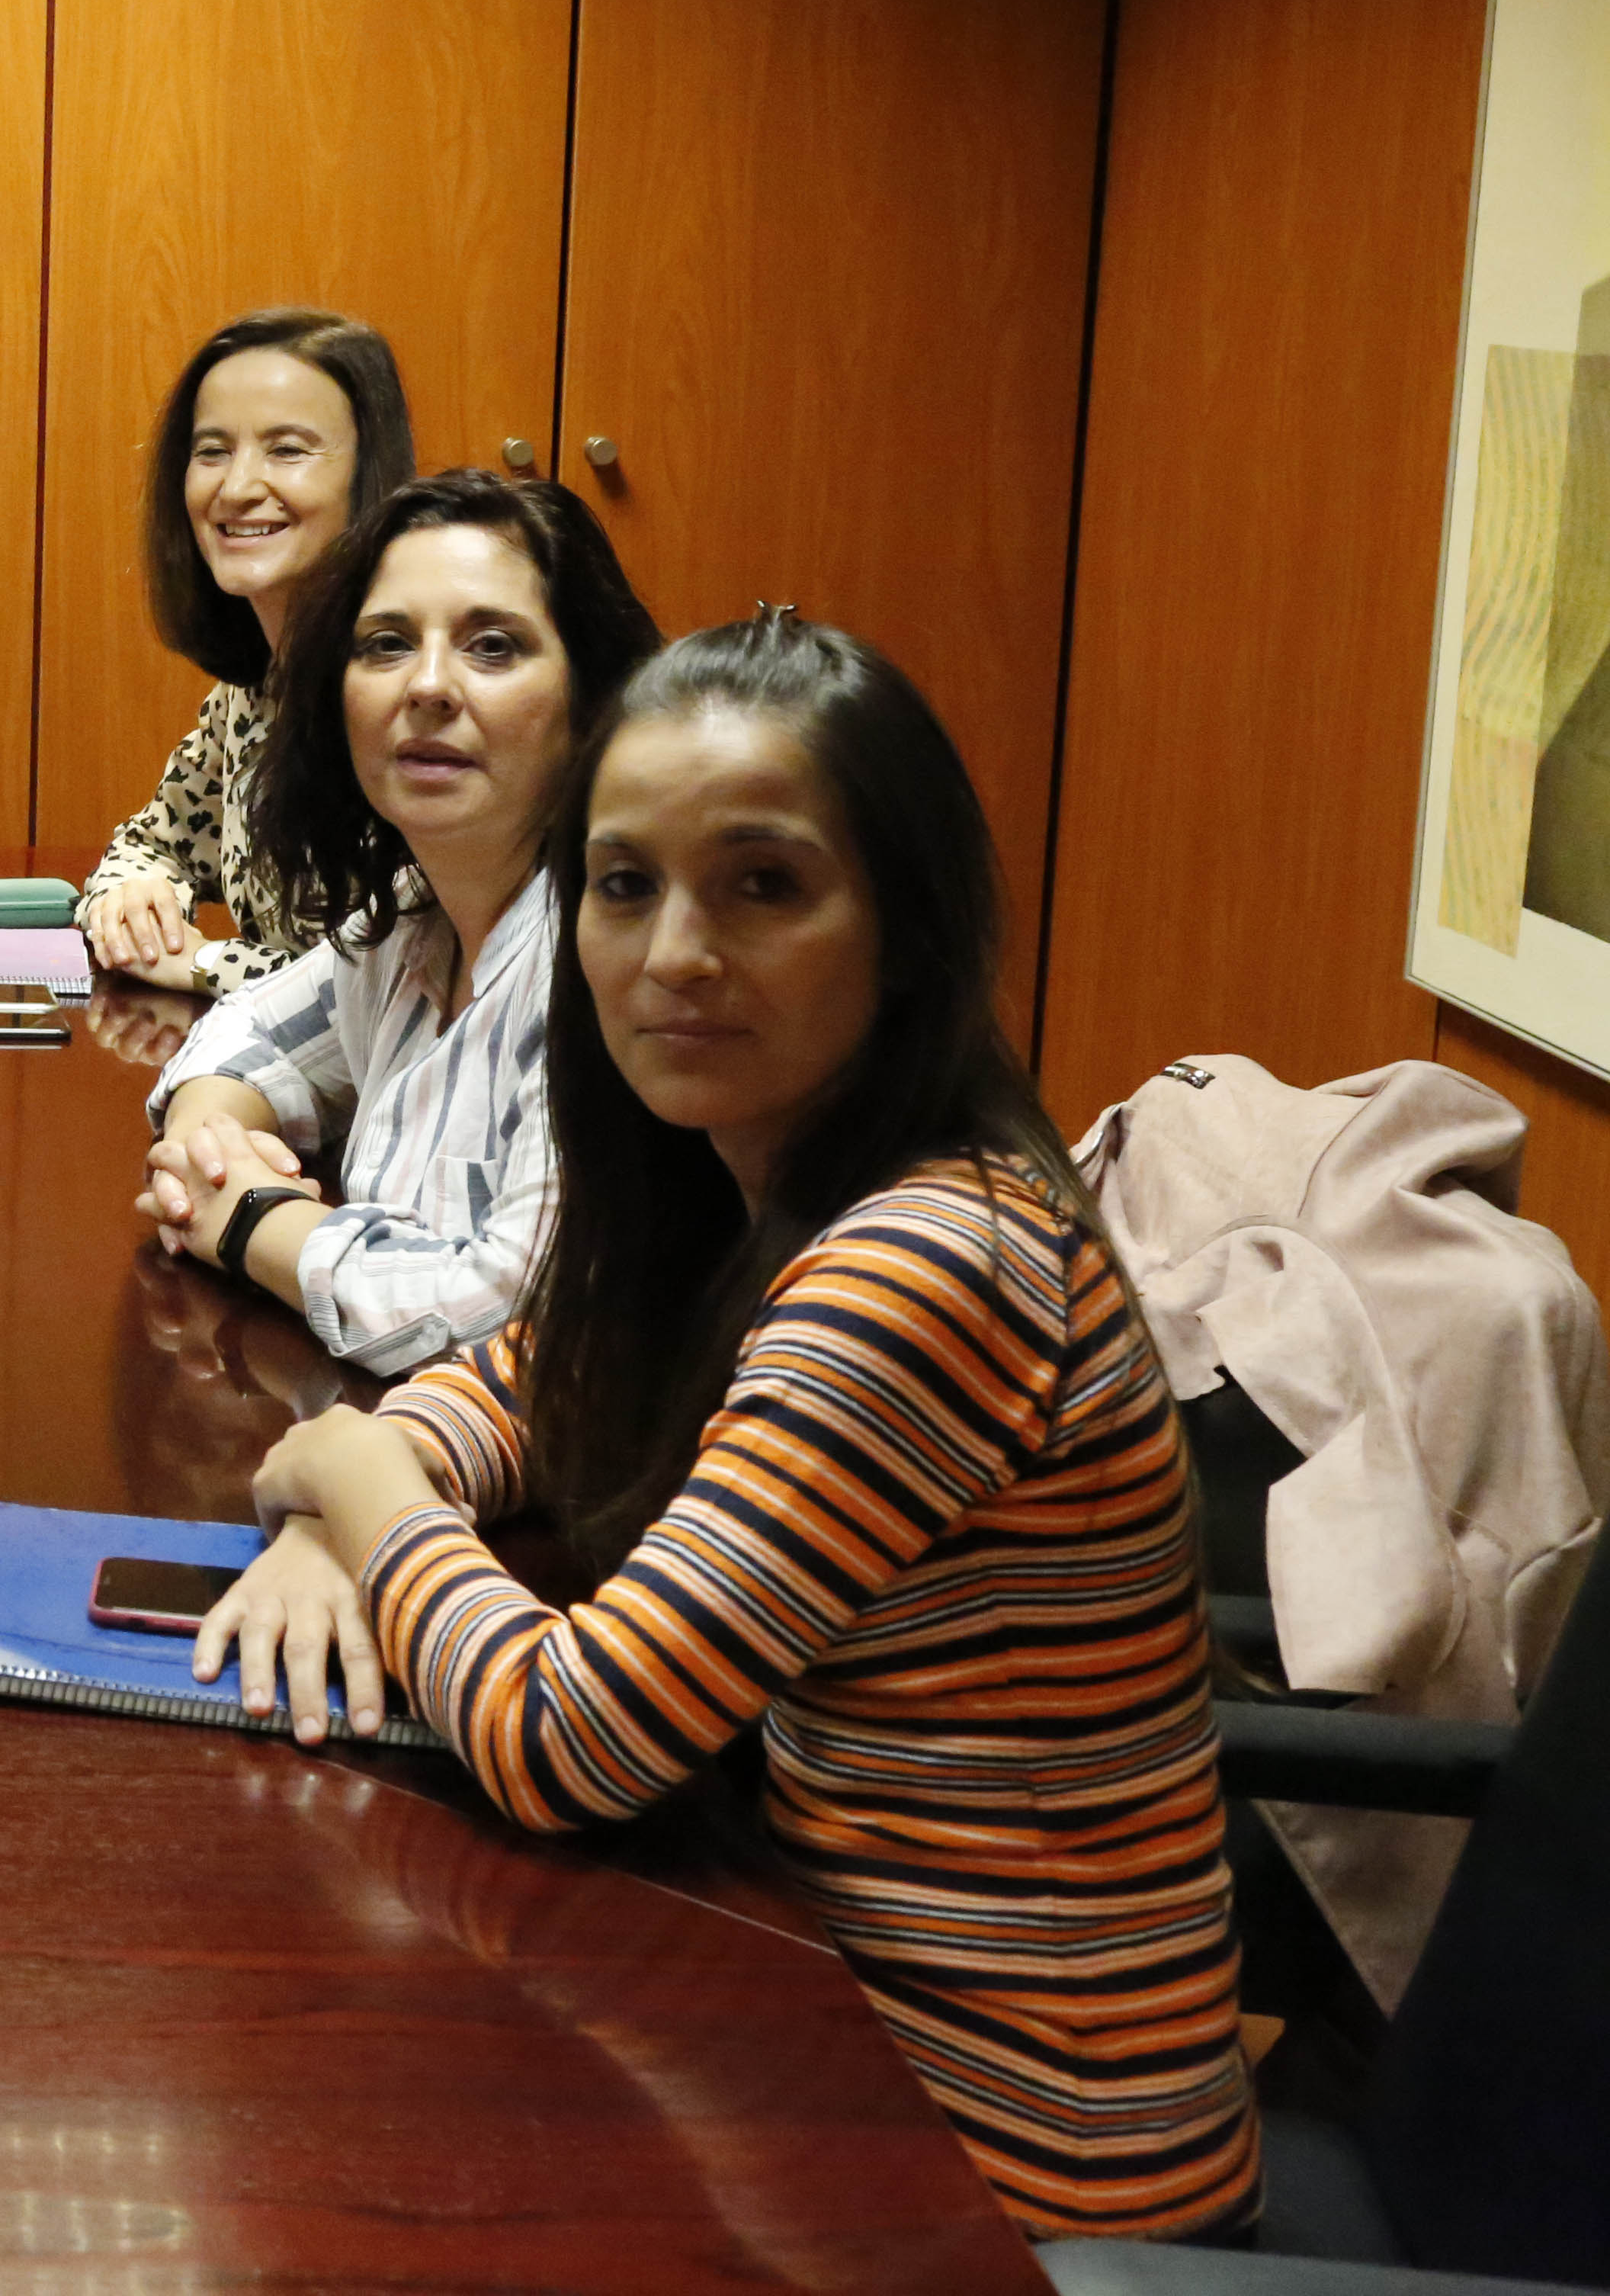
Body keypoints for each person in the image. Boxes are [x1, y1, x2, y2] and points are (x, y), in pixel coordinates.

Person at [192, 613, 1258, 2244]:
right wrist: (369, 1494)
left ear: (905, 928)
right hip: (825, 2004)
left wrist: (353, 1477)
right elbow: (539, 1381)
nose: (676, 953)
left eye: (764, 885)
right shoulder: (750, 1174)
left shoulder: (931, 1264)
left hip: (1021, 2174)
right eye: (624, 886)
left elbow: (567, 1739)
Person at [141, 469, 658, 1373]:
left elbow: (510, 1320)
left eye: (492, 647)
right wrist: (209, 1152)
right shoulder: (413, 919)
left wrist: (254, 1221)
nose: (427, 686)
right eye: (386, 645)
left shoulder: (612, 965)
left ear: (593, 702)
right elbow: (247, 1033)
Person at [82, 309, 415, 990]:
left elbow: (394, 987)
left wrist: (205, 963)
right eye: (212, 452)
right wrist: (133, 898)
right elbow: (151, 845)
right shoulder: (255, 687)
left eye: (287, 450)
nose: (236, 489)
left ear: (367, 474)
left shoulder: (405, 692)